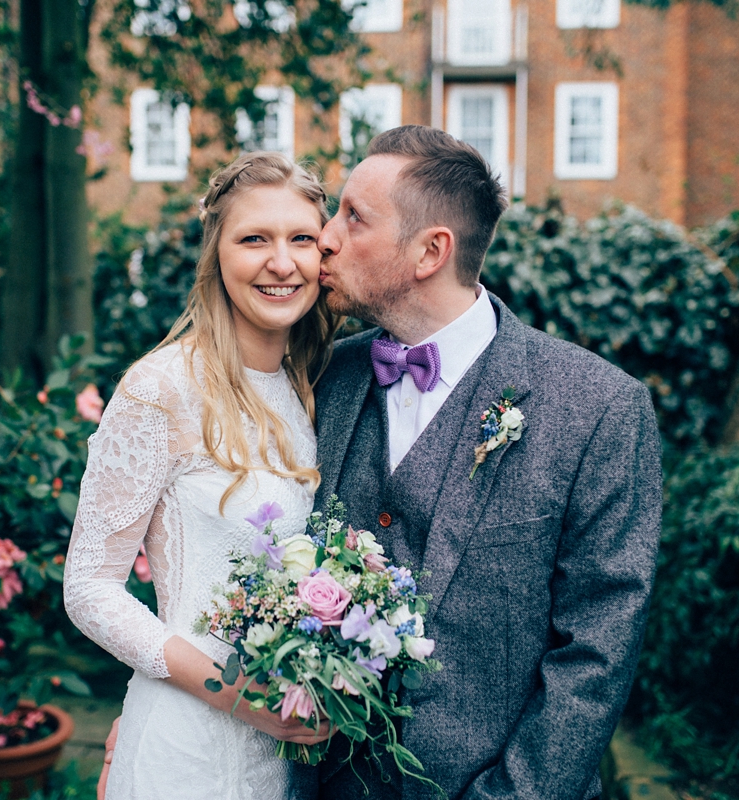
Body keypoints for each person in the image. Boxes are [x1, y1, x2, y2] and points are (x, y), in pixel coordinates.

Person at [289, 125, 663, 800]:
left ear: (431, 251)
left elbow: (597, 651)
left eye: (354, 217)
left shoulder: (600, 407)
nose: (326, 238)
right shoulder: (322, 378)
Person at [64, 151, 338, 800]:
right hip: (186, 749)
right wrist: (239, 697)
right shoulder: (162, 388)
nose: (281, 262)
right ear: (217, 254)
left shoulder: (316, 388)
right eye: (254, 240)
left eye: (301, 238)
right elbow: (89, 589)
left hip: (289, 760)